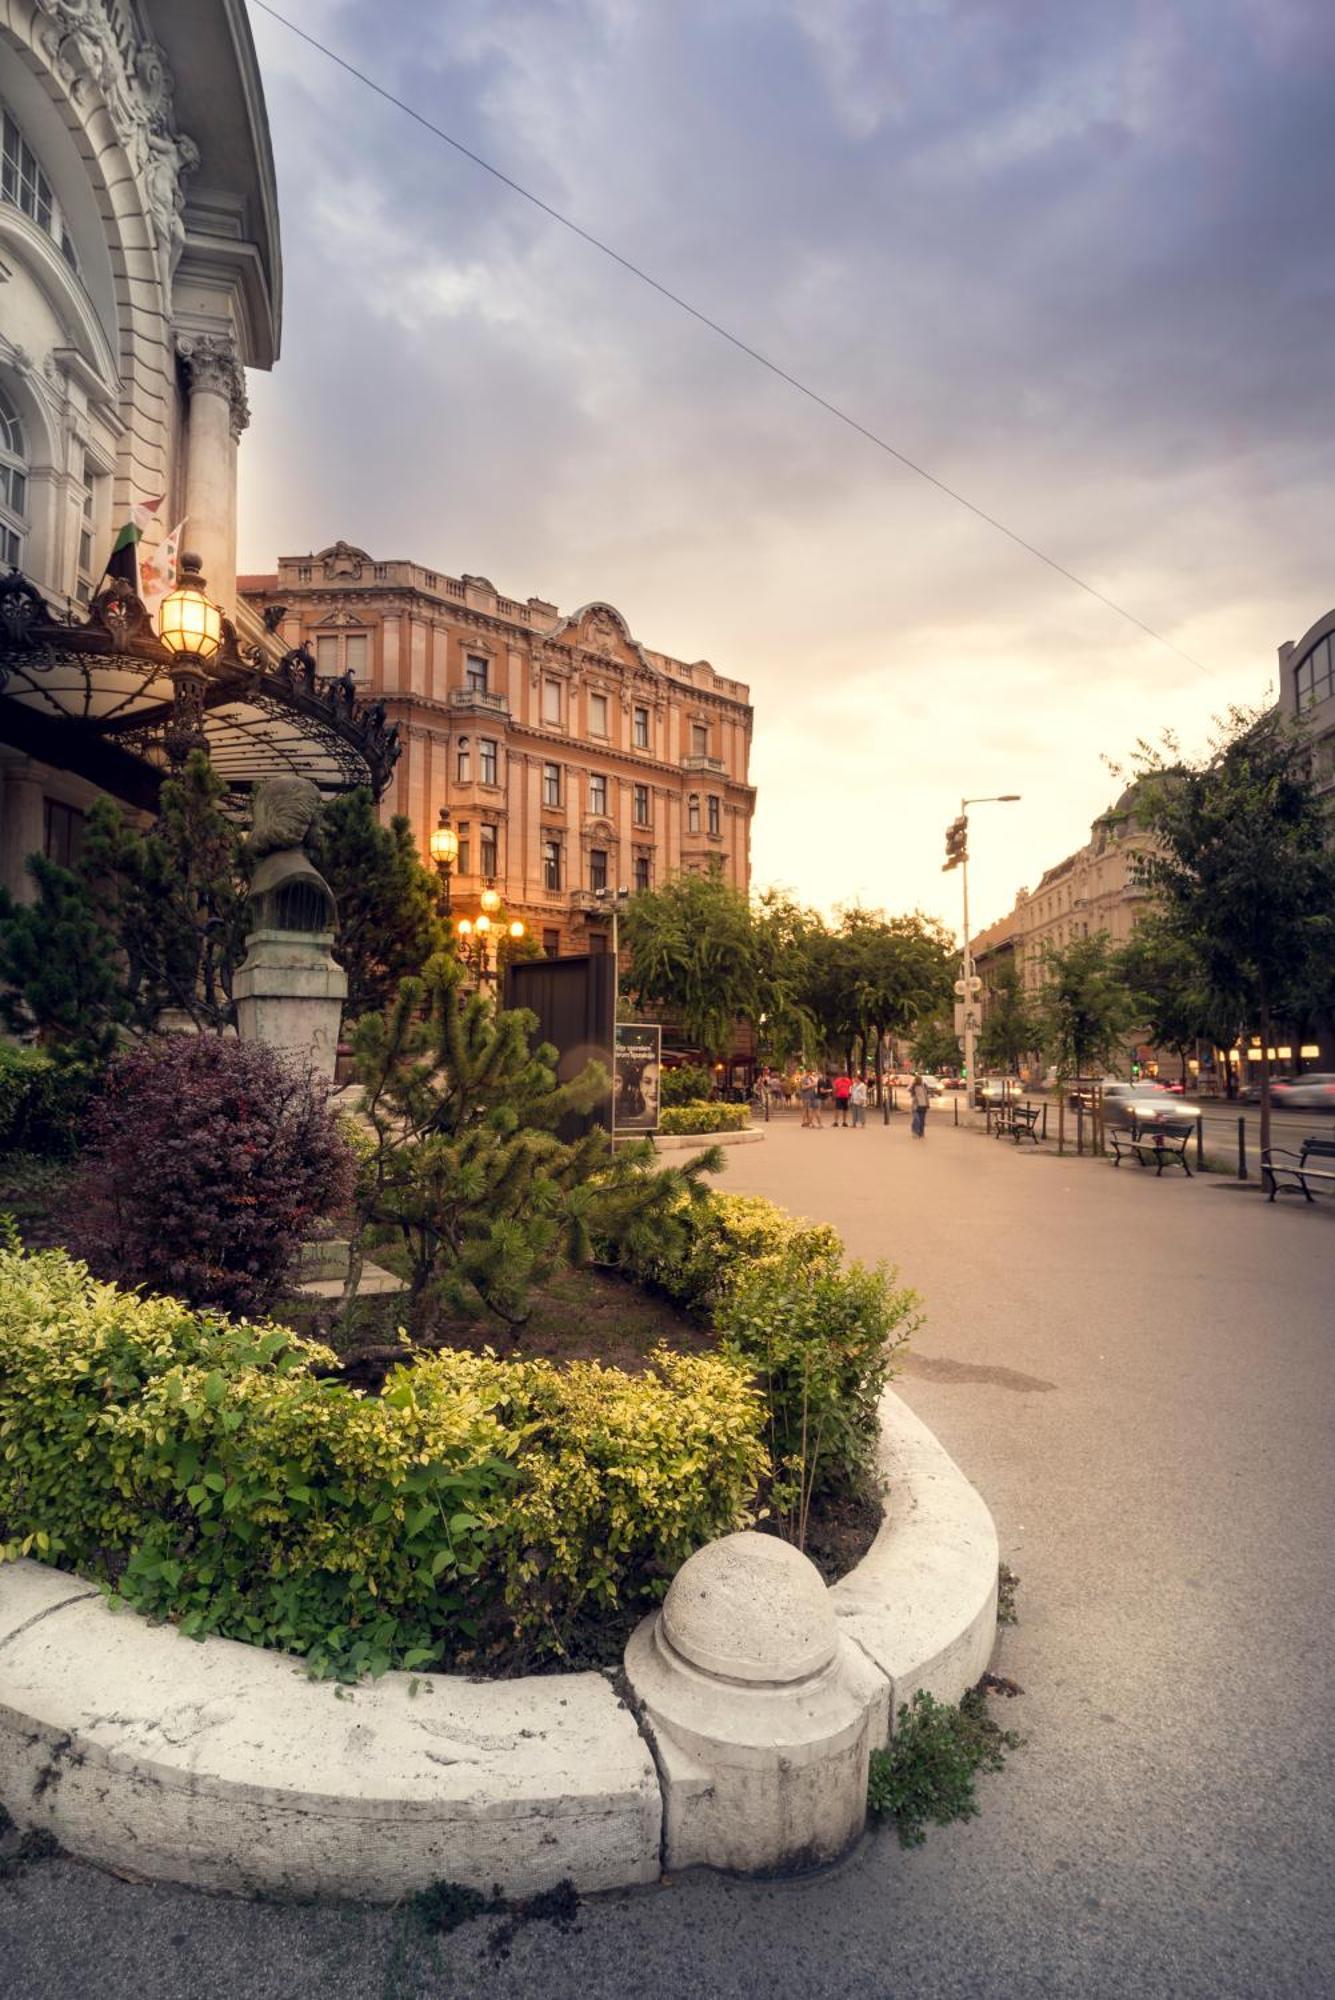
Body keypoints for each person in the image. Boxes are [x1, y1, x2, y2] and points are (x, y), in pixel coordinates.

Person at [909, 1073, 931, 1138]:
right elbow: (910, 1091)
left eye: (920, 1080)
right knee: (917, 1120)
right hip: (916, 1106)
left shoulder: (924, 1086)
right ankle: (915, 1132)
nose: (919, 1081)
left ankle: (921, 1133)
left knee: (922, 1121)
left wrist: (927, 1104)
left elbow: (926, 1096)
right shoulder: (913, 1087)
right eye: (918, 1080)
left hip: (923, 1106)